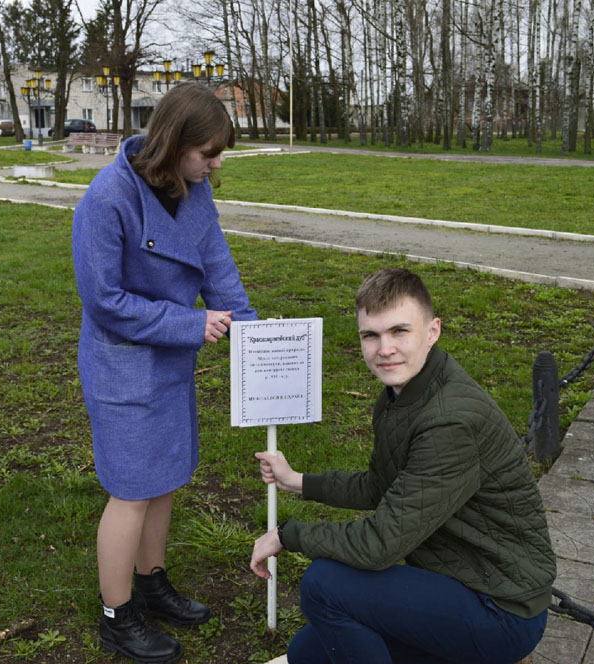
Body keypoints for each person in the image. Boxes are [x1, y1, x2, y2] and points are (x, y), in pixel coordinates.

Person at [250, 268, 555, 664]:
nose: (384, 349)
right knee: (306, 653)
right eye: (370, 335)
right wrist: (298, 482)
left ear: (432, 331)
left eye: (399, 331)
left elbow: (380, 544)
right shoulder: (402, 395)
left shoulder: (450, 421)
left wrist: (286, 536)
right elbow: (381, 486)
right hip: (458, 577)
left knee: (323, 585)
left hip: (500, 609)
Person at [72, 82, 257, 664]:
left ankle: (151, 584)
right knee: (130, 492)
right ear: (174, 143)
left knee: (165, 480)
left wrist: (260, 338)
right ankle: (117, 614)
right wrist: (188, 325)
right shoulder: (108, 197)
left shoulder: (194, 190)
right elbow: (104, 300)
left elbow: (218, 269)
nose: (217, 163)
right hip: (123, 366)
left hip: (170, 365)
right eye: (208, 152)